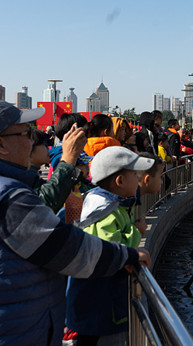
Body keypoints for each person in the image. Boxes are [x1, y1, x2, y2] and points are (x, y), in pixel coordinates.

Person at [0, 101, 150, 346]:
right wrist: (126, 256)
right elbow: (69, 250)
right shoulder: (6, 196)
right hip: (1, 333)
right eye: (26, 134)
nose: (33, 139)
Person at [65, 147, 154, 346]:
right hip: (98, 302)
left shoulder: (112, 202)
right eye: (135, 174)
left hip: (101, 300)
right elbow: (111, 249)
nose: (139, 179)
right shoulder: (105, 210)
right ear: (119, 182)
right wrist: (136, 233)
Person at [29, 129, 89, 213]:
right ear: (29, 147)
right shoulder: (24, 179)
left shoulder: (30, 176)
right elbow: (46, 203)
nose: (48, 148)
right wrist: (69, 158)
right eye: (43, 144)